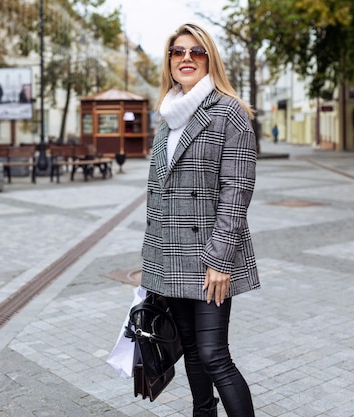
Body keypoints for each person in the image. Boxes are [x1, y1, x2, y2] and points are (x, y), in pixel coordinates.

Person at [140, 23, 259, 417]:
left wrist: (220, 262)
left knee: (213, 354)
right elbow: (158, 197)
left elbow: (236, 193)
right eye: (178, 52)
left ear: (210, 60)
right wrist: (151, 266)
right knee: (191, 351)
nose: (186, 58)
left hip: (210, 259)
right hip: (170, 257)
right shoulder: (167, 118)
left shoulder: (229, 113)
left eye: (196, 52)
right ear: (169, 61)